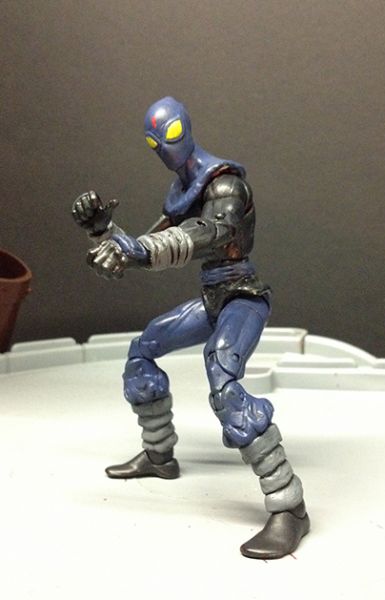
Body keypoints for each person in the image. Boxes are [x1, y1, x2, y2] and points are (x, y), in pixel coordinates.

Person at [72, 97, 309, 559]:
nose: (165, 148)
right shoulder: (183, 190)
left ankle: (290, 506)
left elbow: (212, 233)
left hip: (242, 296)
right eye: (154, 143)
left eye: (172, 136)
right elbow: (143, 246)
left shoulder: (227, 185)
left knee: (222, 376)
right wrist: (103, 232)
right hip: (212, 298)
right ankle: (159, 454)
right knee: (143, 349)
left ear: (187, 129)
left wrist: (136, 249)